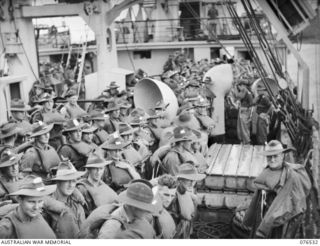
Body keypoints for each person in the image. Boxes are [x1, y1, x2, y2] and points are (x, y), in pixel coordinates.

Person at [243, 140, 311, 238]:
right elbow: (258, 195)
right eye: (269, 156)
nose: (272, 159)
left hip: (281, 220)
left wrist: (268, 223)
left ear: (282, 155)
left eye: (276, 156)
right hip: (264, 213)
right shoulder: (266, 171)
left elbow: (296, 205)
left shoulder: (292, 176)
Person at [49, 159, 86, 238]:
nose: (71, 185)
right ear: (58, 182)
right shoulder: (48, 206)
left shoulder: (77, 205)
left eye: (73, 181)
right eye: (67, 181)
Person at [171, 163, 205, 238]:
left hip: (185, 227)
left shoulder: (185, 190)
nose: (192, 184)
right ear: (180, 180)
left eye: (194, 181)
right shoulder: (172, 196)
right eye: (189, 180)